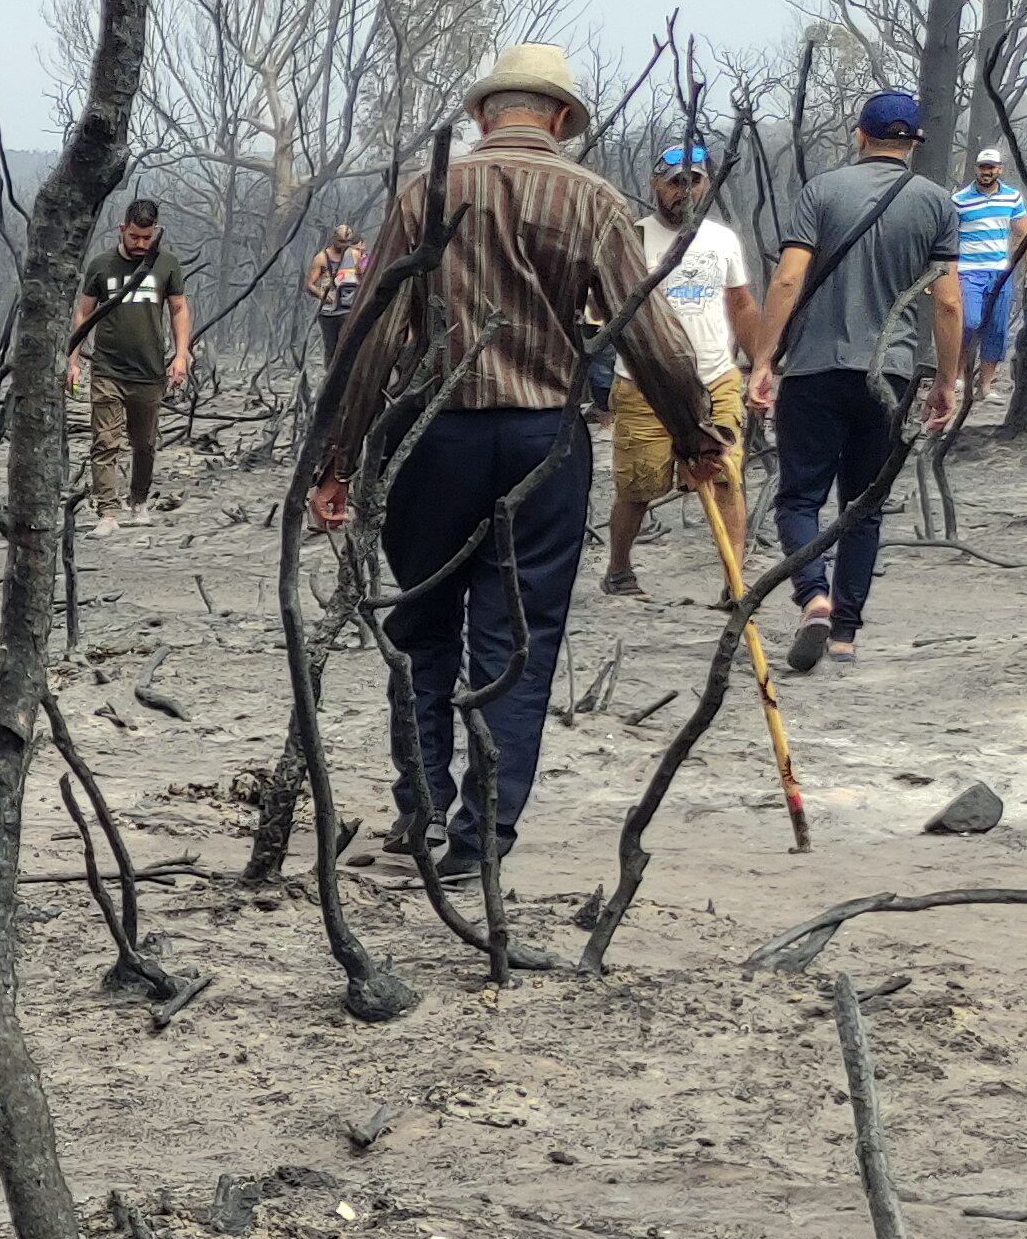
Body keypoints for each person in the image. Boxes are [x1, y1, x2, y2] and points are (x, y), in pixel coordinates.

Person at [309, 44, 725, 874]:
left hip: (429, 434)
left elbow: (374, 330)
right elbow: (648, 333)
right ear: (563, 120)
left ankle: (421, 812)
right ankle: (483, 835)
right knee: (516, 641)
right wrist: (696, 435)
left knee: (422, 624)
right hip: (542, 439)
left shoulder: (428, 191)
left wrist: (338, 457)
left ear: (480, 116)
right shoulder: (595, 200)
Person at [751, 87, 966, 672]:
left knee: (799, 497)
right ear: (912, 145)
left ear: (861, 136)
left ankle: (812, 596)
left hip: (815, 371)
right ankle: (844, 634)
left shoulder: (821, 191)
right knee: (864, 507)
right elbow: (947, 303)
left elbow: (789, 280)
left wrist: (764, 359)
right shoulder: (937, 203)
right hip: (890, 377)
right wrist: (946, 381)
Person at [601, 143, 760, 600]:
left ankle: (734, 583)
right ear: (656, 184)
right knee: (639, 483)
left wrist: (764, 362)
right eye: (674, 182)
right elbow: (604, 307)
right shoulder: (632, 237)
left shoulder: (722, 239)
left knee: (727, 474)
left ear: (707, 184)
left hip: (715, 377)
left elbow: (741, 304)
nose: (684, 191)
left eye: (694, 181)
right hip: (644, 382)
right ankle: (619, 571)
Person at [66, 198, 189, 529]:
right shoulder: (101, 265)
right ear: (122, 229)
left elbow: (178, 308)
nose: (140, 244)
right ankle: (107, 511)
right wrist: (73, 360)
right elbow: (83, 312)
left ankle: (139, 501)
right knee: (105, 442)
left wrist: (181, 355)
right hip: (108, 369)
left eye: (146, 238)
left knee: (144, 444)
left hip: (149, 371)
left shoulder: (167, 264)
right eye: (134, 236)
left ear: (156, 232)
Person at [952, 144, 1027, 416]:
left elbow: (1023, 233)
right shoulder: (960, 199)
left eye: (991, 167)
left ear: (999, 169)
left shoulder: (1012, 198)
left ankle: (986, 385)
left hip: (1000, 271)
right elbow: (949, 236)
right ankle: (961, 378)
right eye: (982, 167)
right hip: (967, 270)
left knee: (997, 330)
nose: (986, 172)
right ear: (976, 169)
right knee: (969, 322)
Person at [304, 223, 370, 368]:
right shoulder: (321, 258)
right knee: (331, 349)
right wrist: (321, 294)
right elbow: (309, 284)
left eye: (347, 242)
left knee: (347, 346)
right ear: (334, 238)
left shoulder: (355, 255)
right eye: (341, 241)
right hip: (328, 312)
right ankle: (329, 379)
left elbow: (364, 275)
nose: (344, 245)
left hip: (348, 309)